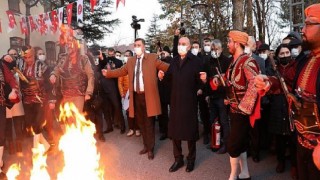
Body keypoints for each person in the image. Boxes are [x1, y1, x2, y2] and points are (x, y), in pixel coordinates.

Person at [254, 3, 320, 179]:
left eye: (309, 24)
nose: (303, 29)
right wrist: (268, 82)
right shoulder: (306, 60)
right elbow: (288, 84)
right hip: (301, 141)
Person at [102, 38, 169, 160]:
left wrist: (170, 70)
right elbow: (121, 71)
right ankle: (145, 145)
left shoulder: (152, 58)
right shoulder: (131, 61)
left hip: (148, 96)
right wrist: (108, 73)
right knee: (141, 123)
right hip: (136, 97)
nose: (136, 47)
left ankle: (150, 148)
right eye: (135, 45)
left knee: (149, 123)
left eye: (139, 45)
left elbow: (167, 67)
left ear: (143, 47)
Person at [210, 30, 260, 180]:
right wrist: (218, 80)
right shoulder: (233, 62)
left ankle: (233, 176)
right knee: (241, 143)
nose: (228, 45)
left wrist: (243, 107)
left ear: (237, 44)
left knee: (232, 144)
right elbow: (230, 79)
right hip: (233, 108)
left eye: (229, 42)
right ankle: (245, 173)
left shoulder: (248, 61)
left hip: (242, 111)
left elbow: (254, 84)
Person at [160, 37, 206, 173]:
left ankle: (191, 160)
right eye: (179, 44)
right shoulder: (173, 61)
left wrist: (202, 83)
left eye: (183, 44)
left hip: (189, 101)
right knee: (175, 133)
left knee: (190, 132)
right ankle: (178, 159)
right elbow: (168, 80)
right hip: (175, 101)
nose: (180, 46)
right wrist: (162, 77)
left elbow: (201, 81)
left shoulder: (196, 61)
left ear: (189, 46)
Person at [267, 44, 297, 177]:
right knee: (279, 137)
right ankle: (281, 161)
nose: (285, 55)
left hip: (291, 104)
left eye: (287, 53)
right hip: (277, 104)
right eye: (282, 54)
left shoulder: (296, 66)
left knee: (293, 137)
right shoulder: (273, 68)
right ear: (278, 56)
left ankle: (295, 165)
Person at [50, 33, 94, 112]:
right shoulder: (63, 58)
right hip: (66, 94)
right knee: (68, 121)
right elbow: (56, 69)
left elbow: (90, 75)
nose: (69, 46)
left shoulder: (83, 58)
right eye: (67, 44)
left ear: (76, 45)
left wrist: (89, 92)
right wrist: (53, 75)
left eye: (71, 44)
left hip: (79, 94)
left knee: (77, 118)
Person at [203, 39, 231, 154]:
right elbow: (206, 78)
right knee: (213, 120)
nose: (214, 51)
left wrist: (227, 97)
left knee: (224, 121)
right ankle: (215, 141)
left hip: (223, 96)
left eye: (217, 49)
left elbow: (229, 79)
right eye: (213, 49)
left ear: (221, 49)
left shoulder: (226, 61)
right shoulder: (208, 61)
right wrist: (207, 94)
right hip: (212, 95)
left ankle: (227, 144)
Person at [2, 48, 25, 155]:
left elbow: (24, 83)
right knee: (7, 125)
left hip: (17, 100)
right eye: (9, 54)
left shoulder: (18, 70)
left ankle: (19, 146)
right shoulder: (3, 68)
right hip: (6, 100)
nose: (11, 56)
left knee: (17, 124)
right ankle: (10, 146)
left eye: (14, 55)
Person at [0, 53, 19, 180]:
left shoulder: (1, 65)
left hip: (0, 103)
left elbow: (11, 79)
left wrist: (13, 90)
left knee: (0, 134)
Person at [99, 48, 125, 134]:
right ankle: (109, 126)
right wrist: (102, 58)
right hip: (104, 88)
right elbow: (101, 64)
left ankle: (122, 125)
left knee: (117, 107)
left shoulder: (118, 62)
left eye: (112, 54)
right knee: (106, 109)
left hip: (114, 87)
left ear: (114, 53)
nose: (110, 55)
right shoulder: (104, 60)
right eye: (109, 54)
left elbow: (120, 73)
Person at [119, 50, 140, 137]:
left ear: (131, 57)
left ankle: (138, 129)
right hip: (126, 94)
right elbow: (120, 82)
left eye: (128, 55)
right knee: (128, 113)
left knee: (137, 112)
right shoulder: (123, 68)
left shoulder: (136, 67)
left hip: (135, 93)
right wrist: (122, 93)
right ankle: (131, 129)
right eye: (125, 55)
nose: (126, 57)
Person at [157, 46, 172, 140]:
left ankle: (172, 131)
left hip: (170, 91)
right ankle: (163, 131)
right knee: (162, 113)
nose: (163, 54)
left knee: (173, 112)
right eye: (162, 53)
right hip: (160, 91)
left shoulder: (172, 61)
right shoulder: (158, 61)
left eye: (164, 52)